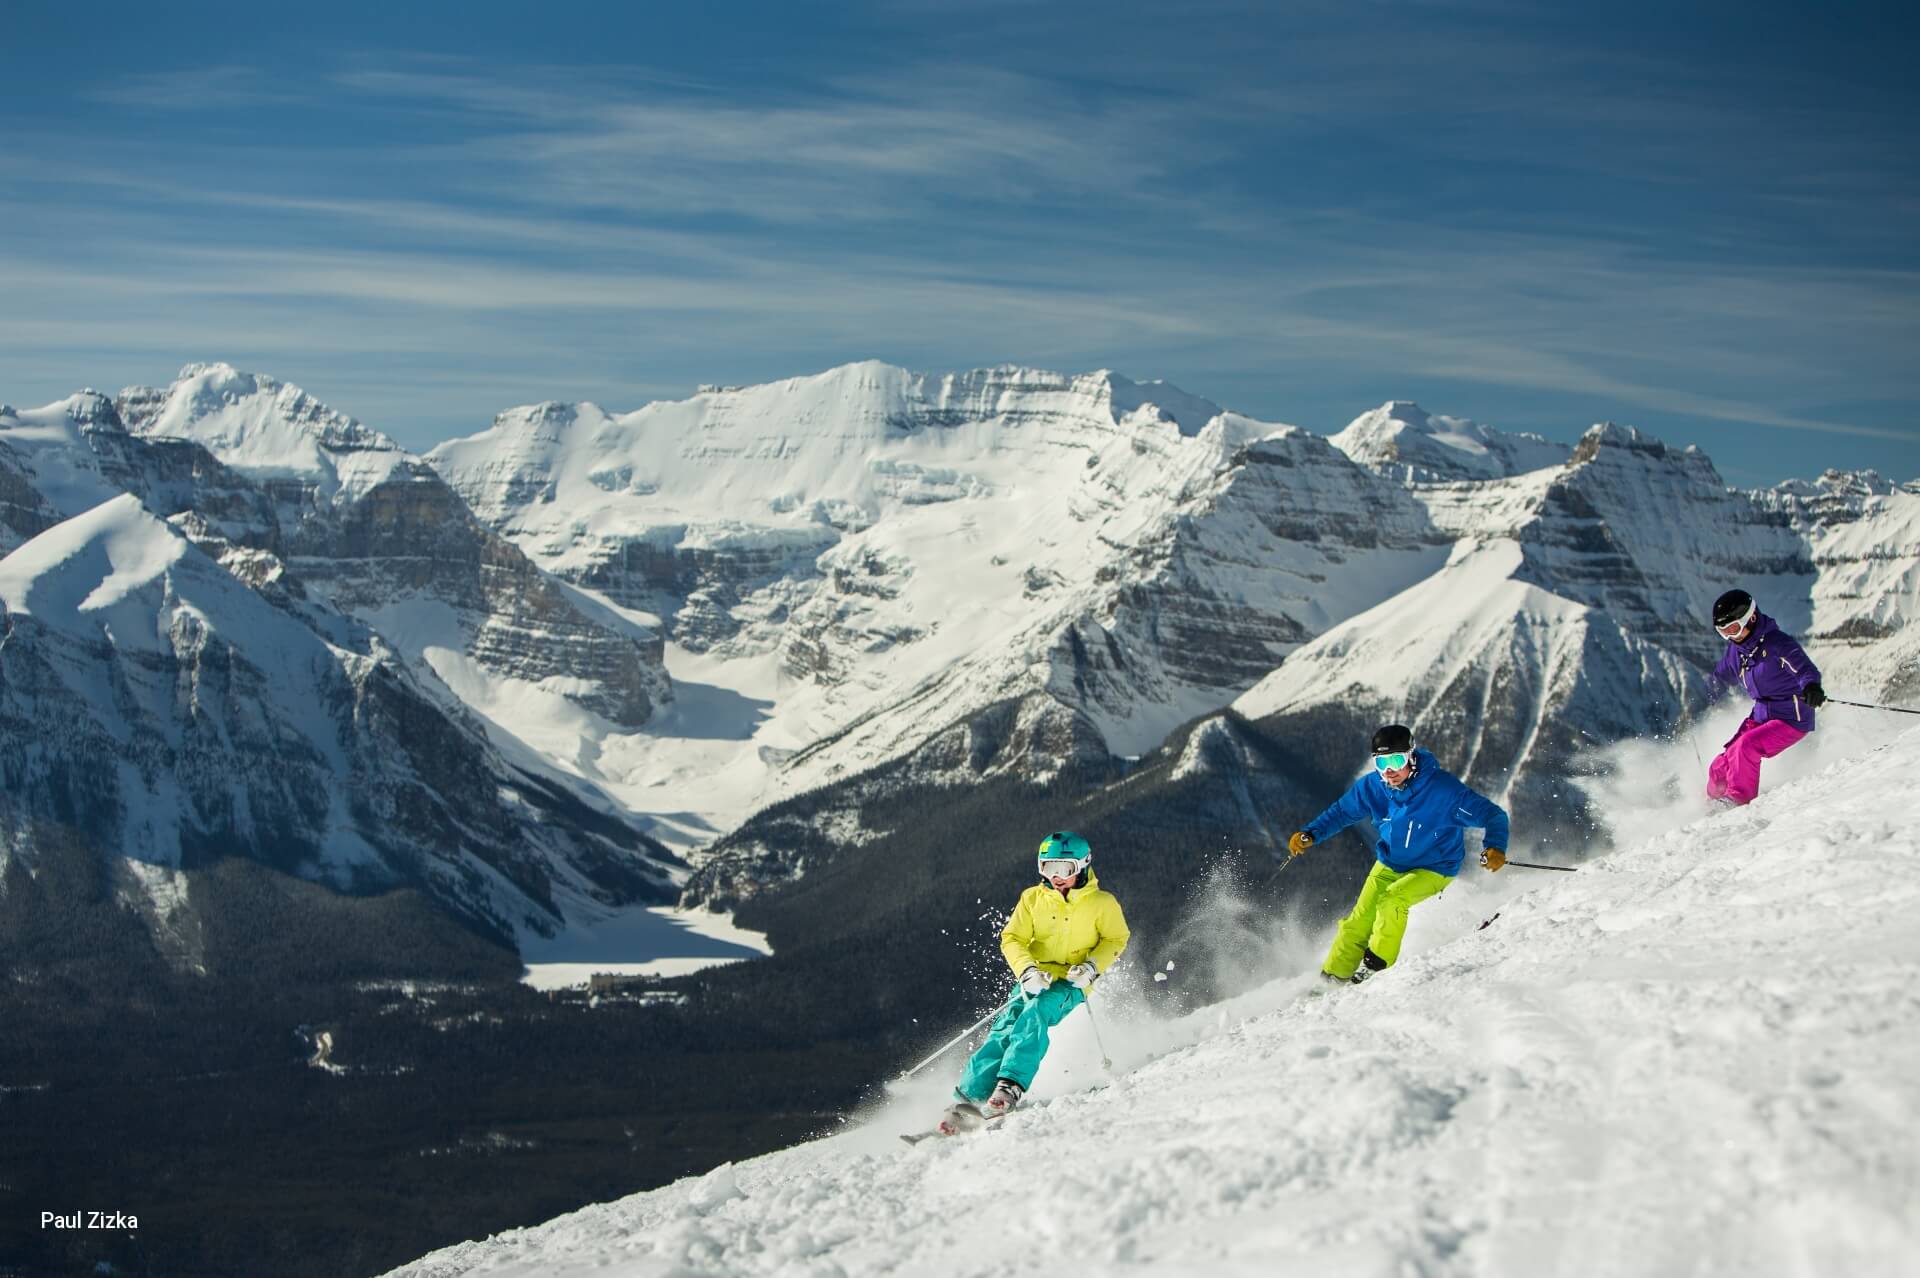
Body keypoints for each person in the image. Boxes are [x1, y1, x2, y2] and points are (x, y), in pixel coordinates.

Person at [1286, 725, 1508, 986]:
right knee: (1358, 922)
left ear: (1411, 756)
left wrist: (1495, 846)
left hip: (1435, 867)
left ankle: (1376, 967)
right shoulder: (1373, 786)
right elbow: (1341, 812)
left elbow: (1494, 815)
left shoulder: (1443, 791)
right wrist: (1311, 833)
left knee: (1392, 901)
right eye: (1381, 762)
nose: (1389, 770)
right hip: (1391, 862)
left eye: (1396, 760)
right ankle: (1331, 980)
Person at [942, 831, 1129, 1134]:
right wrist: (1026, 971)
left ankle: (1009, 1087)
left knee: (1036, 1013)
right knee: (1004, 1029)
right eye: (1047, 868)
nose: (1056, 877)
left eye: (1064, 869)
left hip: (1071, 983)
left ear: (1082, 866)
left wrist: (1091, 968)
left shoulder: (1102, 904)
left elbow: (1116, 938)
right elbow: (1012, 938)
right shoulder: (1032, 899)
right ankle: (965, 1101)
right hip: (1035, 978)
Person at [1705, 589, 1824, 807]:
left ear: (1749, 618)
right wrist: (1712, 690)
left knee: (1746, 746)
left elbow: (1805, 669)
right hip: (1761, 715)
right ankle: (1711, 805)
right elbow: (1722, 675)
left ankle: (1738, 801)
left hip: (1791, 717)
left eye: (1733, 629)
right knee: (1719, 766)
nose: (1730, 636)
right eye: (1723, 632)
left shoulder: (1777, 644)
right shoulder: (1736, 651)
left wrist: (1812, 687)